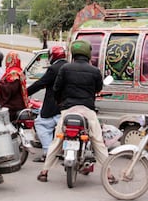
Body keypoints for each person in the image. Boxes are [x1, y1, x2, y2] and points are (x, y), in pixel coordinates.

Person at [37, 40, 115, 184]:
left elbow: (56, 89)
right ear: (88, 54)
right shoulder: (95, 71)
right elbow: (98, 89)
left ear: (73, 53)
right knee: (98, 141)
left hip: (68, 110)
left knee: (57, 140)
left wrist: (60, 102)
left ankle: (44, 172)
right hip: (87, 110)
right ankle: (109, 175)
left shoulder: (65, 69)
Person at [27, 46, 68, 162]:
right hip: (68, 107)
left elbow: (40, 83)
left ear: (53, 56)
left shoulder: (53, 69)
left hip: (53, 107)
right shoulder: (69, 67)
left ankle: (47, 152)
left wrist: (25, 92)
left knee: (41, 124)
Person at [0, 51, 28, 121]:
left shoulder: (13, 73)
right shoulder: (19, 71)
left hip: (12, 106)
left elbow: (10, 89)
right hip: (19, 104)